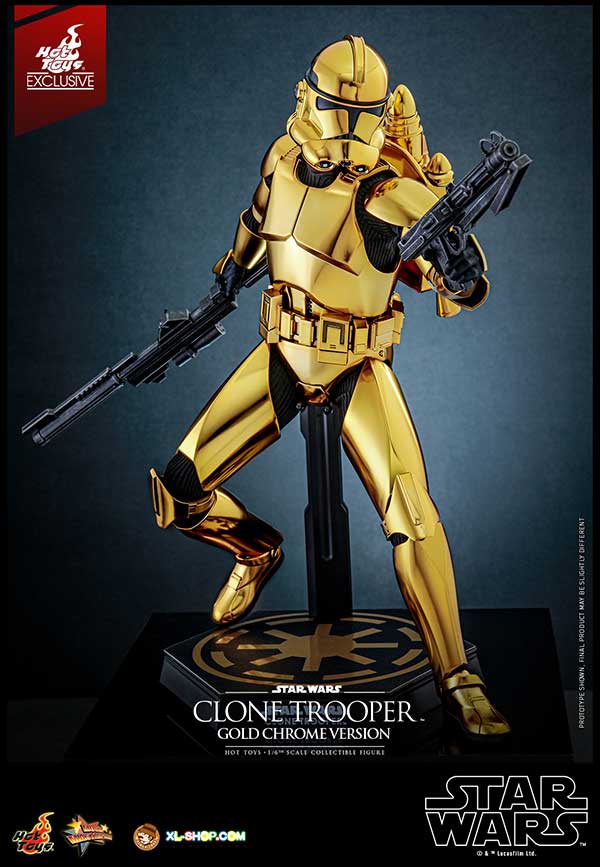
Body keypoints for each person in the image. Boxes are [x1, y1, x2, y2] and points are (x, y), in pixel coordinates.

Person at [150, 35, 510, 738]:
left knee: (413, 515)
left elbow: (455, 274)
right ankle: (255, 548)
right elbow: (258, 222)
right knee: (180, 491)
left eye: (362, 114)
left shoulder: (389, 191)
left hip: (357, 366)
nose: (346, 129)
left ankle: (458, 679)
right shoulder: (282, 158)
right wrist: (226, 282)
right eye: (336, 108)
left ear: (379, 115)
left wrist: (461, 271)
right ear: (304, 98)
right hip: (282, 352)